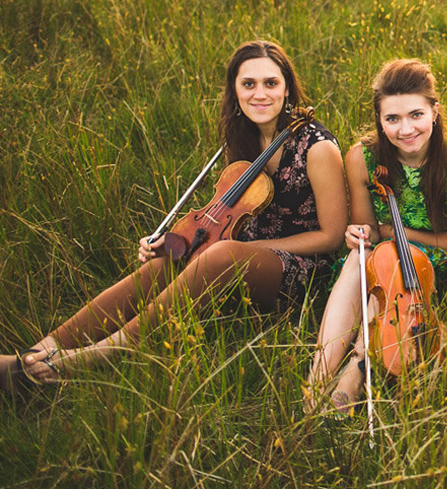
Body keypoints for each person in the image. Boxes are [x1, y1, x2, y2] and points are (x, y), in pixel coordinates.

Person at [0, 40, 348, 393]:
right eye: (248, 84)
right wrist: (173, 242)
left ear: (287, 87)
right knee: (162, 265)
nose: (260, 94)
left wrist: (252, 248)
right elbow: (230, 215)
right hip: (235, 255)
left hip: (302, 272)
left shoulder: (317, 147)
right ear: (234, 91)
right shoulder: (244, 138)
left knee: (219, 255)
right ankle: (38, 354)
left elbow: (332, 237)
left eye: (270, 83)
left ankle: (104, 352)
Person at [305, 59, 447, 413]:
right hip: (379, 259)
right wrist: (359, 235)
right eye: (392, 119)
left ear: (435, 111)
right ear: (379, 120)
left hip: (436, 269)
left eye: (416, 115)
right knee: (363, 260)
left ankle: (357, 370)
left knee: (383, 275)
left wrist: (400, 232)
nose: (406, 129)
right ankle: (317, 380)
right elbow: (369, 231)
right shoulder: (362, 157)